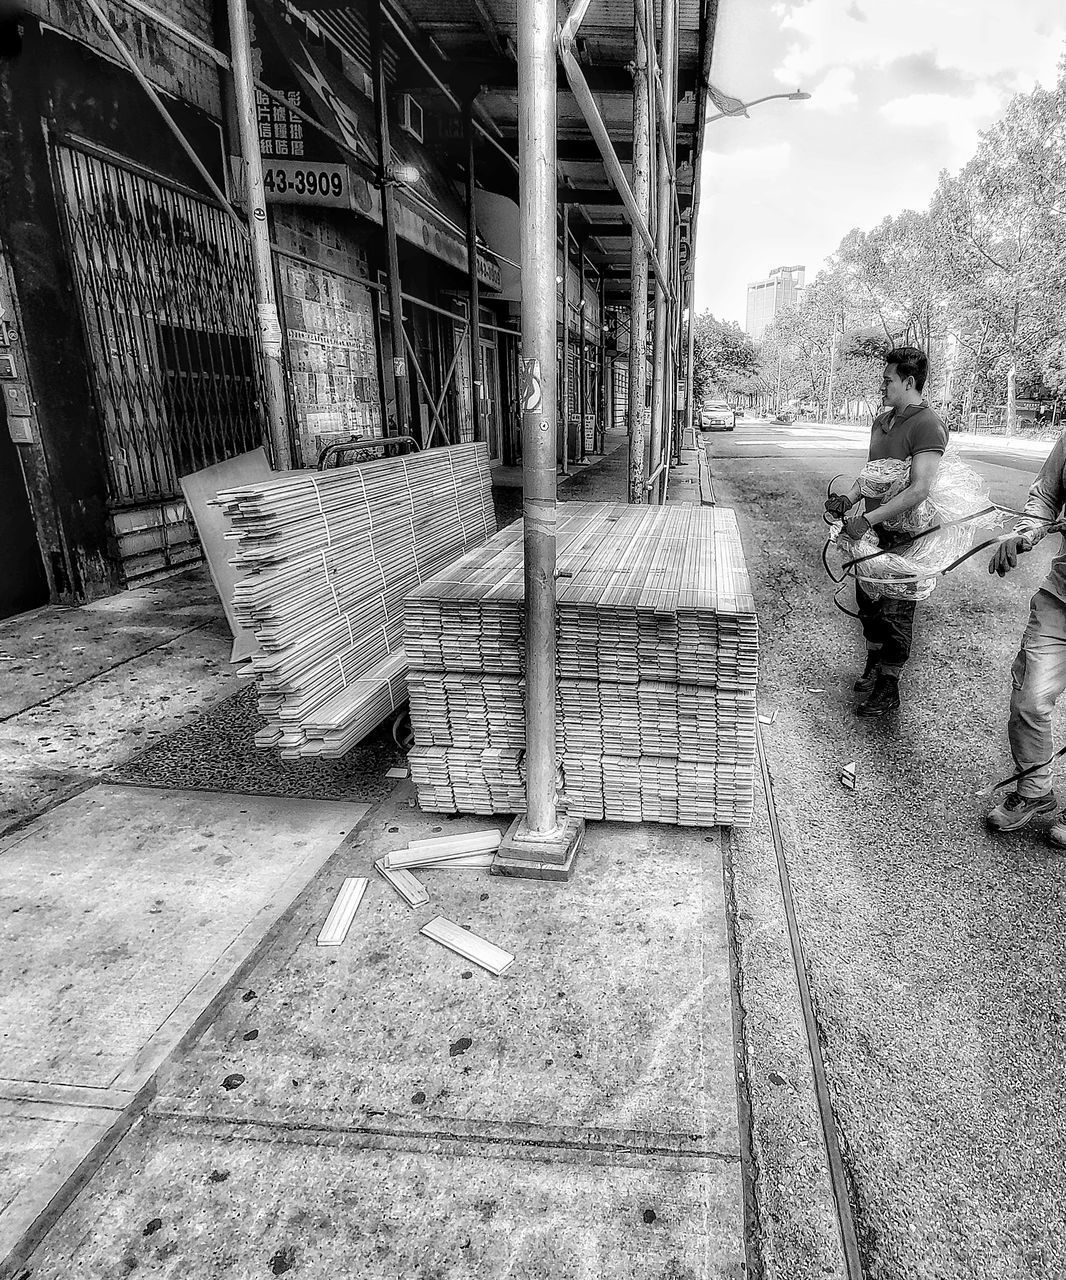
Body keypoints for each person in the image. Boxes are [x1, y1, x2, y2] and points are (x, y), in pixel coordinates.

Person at [824, 346, 948, 716]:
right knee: (869, 604)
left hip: (908, 537)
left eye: (888, 380)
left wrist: (870, 520)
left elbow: (919, 489)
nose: (882, 385)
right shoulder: (881, 423)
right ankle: (874, 664)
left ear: (909, 382)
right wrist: (847, 500)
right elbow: (872, 477)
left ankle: (888, 687)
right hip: (872, 533)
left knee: (895, 611)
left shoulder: (928, 424)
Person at [985, 434, 1066, 845]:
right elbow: (1047, 496)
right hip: (1060, 597)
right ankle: (1036, 790)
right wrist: (1027, 532)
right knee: (1029, 699)